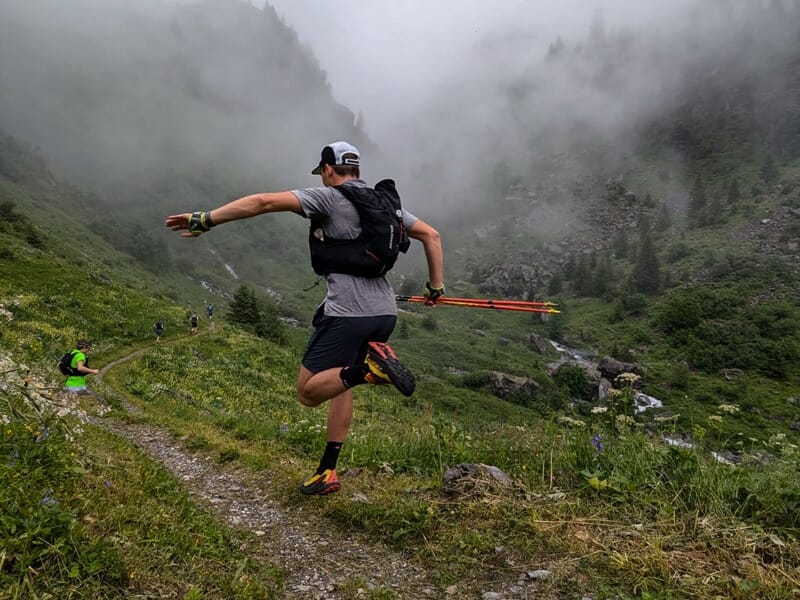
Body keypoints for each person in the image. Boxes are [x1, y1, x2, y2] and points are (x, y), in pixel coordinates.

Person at [166, 141, 444, 495]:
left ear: (329, 169)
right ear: (356, 169)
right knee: (340, 384)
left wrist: (205, 219)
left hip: (348, 314)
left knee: (309, 392)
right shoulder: (386, 205)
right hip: (384, 313)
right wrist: (435, 288)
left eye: (323, 172)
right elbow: (431, 236)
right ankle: (327, 471)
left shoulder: (328, 197)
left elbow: (263, 202)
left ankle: (370, 371)